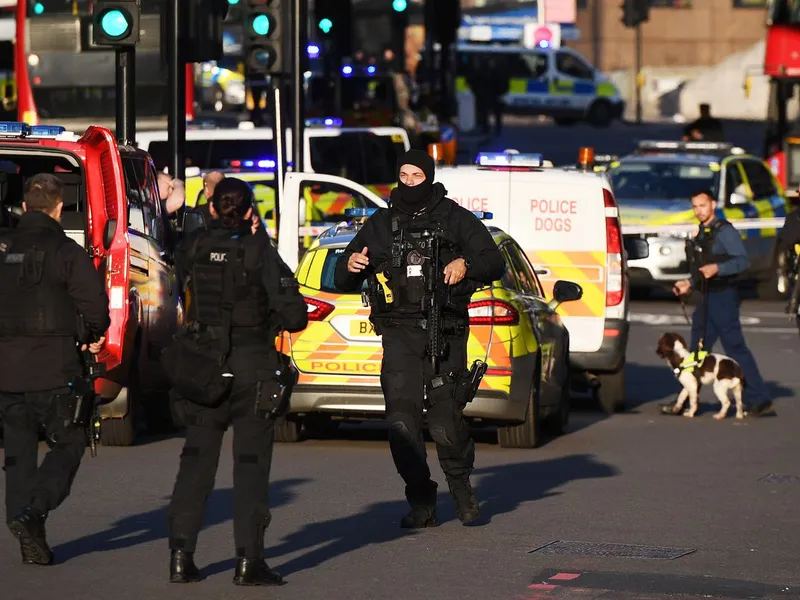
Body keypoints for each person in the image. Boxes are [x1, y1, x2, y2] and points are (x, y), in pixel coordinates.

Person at [334, 150, 506, 528]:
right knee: (401, 425)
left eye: (416, 174)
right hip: (399, 335)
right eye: (404, 174)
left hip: (445, 331)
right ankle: (421, 500)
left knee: (445, 423)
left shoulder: (454, 217)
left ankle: (461, 490)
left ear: (428, 176)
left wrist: (467, 264)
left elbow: (494, 262)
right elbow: (341, 277)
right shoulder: (382, 222)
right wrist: (349, 266)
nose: (409, 181)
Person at [166, 178, 309, 586]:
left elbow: (180, 276)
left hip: (202, 366)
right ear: (249, 211)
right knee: (250, 467)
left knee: (195, 464)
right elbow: (295, 315)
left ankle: (180, 556)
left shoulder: (192, 246)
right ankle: (249, 562)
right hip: (251, 368)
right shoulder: (259, 252)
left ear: (211, 208)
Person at [0, 173, 110, 565]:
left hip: (7, 371)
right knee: (70, 441)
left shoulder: (3, 247)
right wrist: (92, 335)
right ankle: (35, 512)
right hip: (55, 369)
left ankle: (27, 533)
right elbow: (95, 306)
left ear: (26, 206)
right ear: (59, 208)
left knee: (18, 454)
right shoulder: (66, 251)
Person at [666, 190, 774, 417]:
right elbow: (701, 271)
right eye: (695, 206)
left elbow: (743, 261)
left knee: (735, 347)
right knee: (696, 352)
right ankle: (685, 401)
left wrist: (718, 269)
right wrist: (688, 284)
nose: (699, 211)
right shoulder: (701, 233)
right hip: (705, 298)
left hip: (724, 297)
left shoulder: (724, 231)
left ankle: (759, 398)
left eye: (703, 205)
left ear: (713, 205)